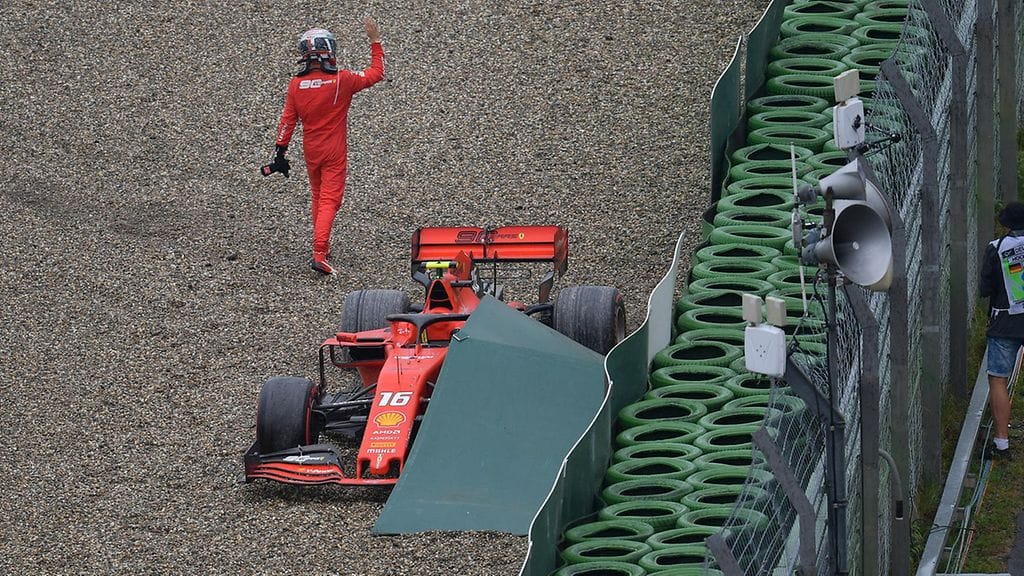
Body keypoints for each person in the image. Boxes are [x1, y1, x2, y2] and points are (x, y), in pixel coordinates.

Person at [266, 17, 385, 275]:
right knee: (331, 199)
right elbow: (377, 73)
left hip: (311, 150)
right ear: (329, 51)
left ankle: (323, 245)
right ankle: (319, 252)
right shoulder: (343, 80)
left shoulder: (296, 85)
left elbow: (287, 120)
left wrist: (280, 152)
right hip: (334, 151)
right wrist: (375, 41)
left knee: (318, 196)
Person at [979, 201, 1024, 459]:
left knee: (998, 379)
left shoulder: (996, 248)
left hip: (1004, 321)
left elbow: (985, 289)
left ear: (1006, 224)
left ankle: (1002, 444)